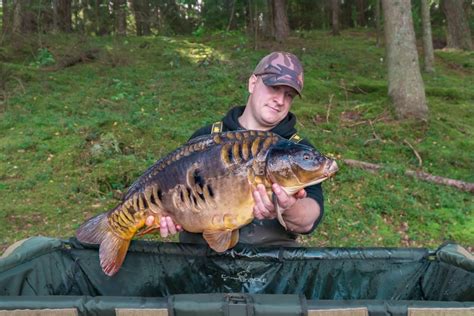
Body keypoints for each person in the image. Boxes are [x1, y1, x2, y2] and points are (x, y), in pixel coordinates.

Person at [146, 51, 324, 246]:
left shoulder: (298, 151)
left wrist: (288, 207)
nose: (280, 100)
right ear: (253, 83)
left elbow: (309, 217)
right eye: (274, 88)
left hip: (269, 267)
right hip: (201, 261)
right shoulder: (207, 137)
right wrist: (169, 215)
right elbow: (171, 187)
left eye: (288, 95)